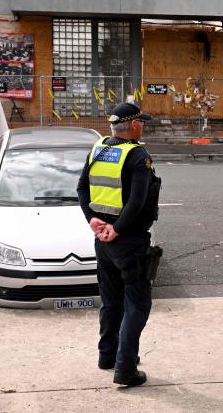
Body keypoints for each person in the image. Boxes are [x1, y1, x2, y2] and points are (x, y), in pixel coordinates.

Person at [77, 102, 161, 387]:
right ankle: (125, 368)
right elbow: (137, 202)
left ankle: (108, 355)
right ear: (135, 125)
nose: (143, 127)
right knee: (138, 304)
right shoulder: (137, 155)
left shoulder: (99, 148)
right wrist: (118, 229)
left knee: (111, 301)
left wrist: (92, 220)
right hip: (128, 241)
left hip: (103, 241)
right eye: (142, 123)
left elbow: (81, 188)